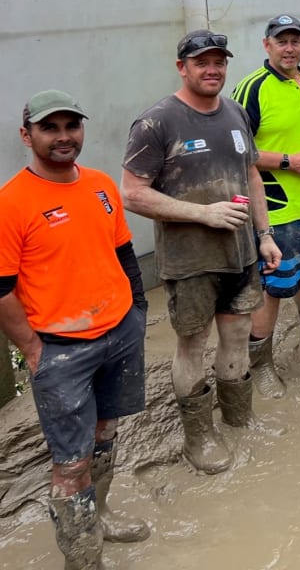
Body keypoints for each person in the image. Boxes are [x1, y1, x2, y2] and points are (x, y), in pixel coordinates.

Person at [0, 91, 150, 568]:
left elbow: (125, 255)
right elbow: (2, 291)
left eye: (72, 126)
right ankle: (83, 560)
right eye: (51, 127)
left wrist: (138, 314)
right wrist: (33, 350)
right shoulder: (12, 202)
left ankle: (98, 519)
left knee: (107, 432)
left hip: (119, 333)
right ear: (28, 136)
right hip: (61, 350)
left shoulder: (102, 185)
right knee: (70, 463)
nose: (64, 137)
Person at [122, 30, 281, 475]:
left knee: (235, 335)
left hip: (241, 252)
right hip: (190, 261)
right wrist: (201, 214)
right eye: (201, 62)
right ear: (182, 67)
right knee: (192, 344)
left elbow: (251, 175)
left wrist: (265, 235)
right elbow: (132, 194)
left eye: (219, 62)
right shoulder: (156, 123)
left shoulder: (233, 112)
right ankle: (199, 436)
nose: (212, 70)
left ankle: (239, 416)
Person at [231, 14, 300, 400]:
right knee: (275, 287)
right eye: (282, 41)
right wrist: (287, 161)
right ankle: (260, 364)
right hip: (276, 209)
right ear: (267, 45)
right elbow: (238, 152)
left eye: (295, 40)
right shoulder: (252, 89)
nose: (289, 48)